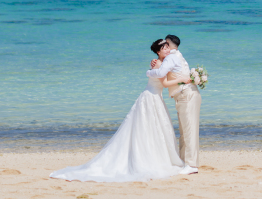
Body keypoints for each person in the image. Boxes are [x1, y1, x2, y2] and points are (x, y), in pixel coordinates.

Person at [50, 39, 189, 182]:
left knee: (150, 129)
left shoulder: (159, 62)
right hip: (151, 98)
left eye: (167, 47)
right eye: (164, 48)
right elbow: (165, 84)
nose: (167, 50)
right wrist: (183, 80)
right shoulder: (158, 63)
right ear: (158, 52)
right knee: (149, 129)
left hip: (153, 97)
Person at [147, 34, 201, 175]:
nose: (164, 45)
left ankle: (191, 165)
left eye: (166, 43)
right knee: (184, 131)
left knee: (189, 131)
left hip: (186, 95)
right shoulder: (177, 55)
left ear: (170, 45)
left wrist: (149, 70)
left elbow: (161, 73)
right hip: (185, 95)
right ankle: (184, 162)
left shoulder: (171, 58)